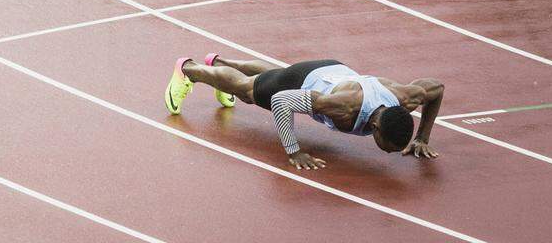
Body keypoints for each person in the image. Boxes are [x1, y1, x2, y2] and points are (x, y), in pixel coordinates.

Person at [164, 56, 444, 170]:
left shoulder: (405, 98)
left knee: (271, 74)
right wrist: (293, 151)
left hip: (332, 70)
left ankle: (218, 62)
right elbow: (282, 101)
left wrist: (422, 137)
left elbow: (436, 88)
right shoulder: (344, 107)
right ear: (378, 129)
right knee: (248, 91)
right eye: (389, 148)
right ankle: (188, 69)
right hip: (304, 80)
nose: (388, 153)